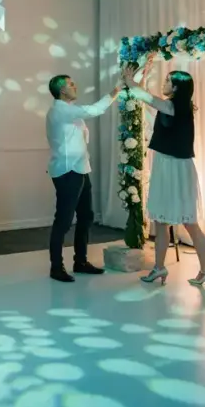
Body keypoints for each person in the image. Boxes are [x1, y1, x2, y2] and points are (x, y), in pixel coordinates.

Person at [122, 56, 205, 287]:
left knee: (182, 221)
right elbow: (151, 106)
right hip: (172, 166)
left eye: (167, 80)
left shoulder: (173, 107)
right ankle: (165, 267)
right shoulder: (175, 108)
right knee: (167, 221)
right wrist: (140, 78)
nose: (164, 83)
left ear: (176, 87)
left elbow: (147, 99)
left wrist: (130, 81)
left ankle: (200, 269)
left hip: (172, 168)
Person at [44, 72, 124, 282]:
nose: (75, 86)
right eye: (71, 84)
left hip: (80, 169)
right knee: (63, 220)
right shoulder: (60, 111)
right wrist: (117, 88)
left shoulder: (71, 111)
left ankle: (80, 261)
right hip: (67, 171)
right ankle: (56, 267)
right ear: (62, 90)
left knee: (86, 216)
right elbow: (96, 109)